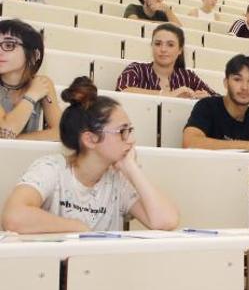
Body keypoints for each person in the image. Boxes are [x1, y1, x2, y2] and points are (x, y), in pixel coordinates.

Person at [0, 77, 178, 233]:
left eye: (130, 130)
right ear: (90, 139)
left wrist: (132, 169)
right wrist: (78, 228)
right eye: (122, 131)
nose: (131, 140)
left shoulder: (118, 180)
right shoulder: (52, 168)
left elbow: (166, 221)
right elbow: (14, 217)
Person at [182, 54, 249, 153]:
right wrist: (248, 145)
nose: (244, 87)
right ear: (226, 82)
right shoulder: (207, 106)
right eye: (237, 79)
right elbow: (190, 143)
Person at [116, 23, 217, 99]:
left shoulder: (188, 77)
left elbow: (219, 99)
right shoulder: (136, 69)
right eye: (158, 43)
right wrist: (169, 94)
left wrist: (207, 99)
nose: (163, 49)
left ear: (180, 50)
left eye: (170, 45)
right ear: (152, 46)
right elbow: (122, 91)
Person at [0, 19, 60, 140]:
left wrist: (15, 140)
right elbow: (6, 131)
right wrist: (32, 95)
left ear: (33, 55)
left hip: (25, 157)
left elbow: (60, 133)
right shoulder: (37, 88)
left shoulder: (42, 83)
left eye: (8, 45)